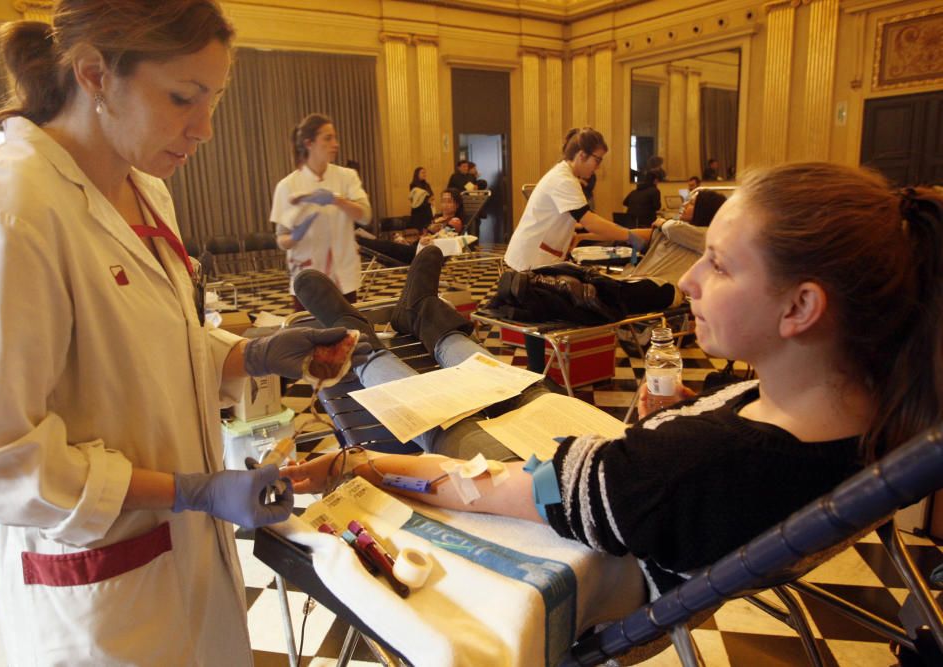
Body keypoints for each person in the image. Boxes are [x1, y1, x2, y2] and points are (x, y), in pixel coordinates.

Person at [286, 163, 943, 602]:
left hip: (511, 465)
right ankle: (420, 309)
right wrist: (677, 415)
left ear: (799, 308)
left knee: (390, 373)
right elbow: (699, 470)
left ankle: (361, 318)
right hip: (573, 446)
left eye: (716, 263)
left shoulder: (677, 468)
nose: (688, 282)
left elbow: (470, 484)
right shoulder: (878, 415)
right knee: (484, 365)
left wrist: (353, 458)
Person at [0, 2, 369, 663]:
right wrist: (188, 489)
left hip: (187, 560)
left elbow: (136, 349)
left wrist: (250, 354)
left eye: (213, 100)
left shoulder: (144, 189)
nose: (203, 129)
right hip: (104, 592)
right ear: (94, 75)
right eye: (182, 98)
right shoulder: (7, 211)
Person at [271, 113, 372, 311]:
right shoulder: (288, 185)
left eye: (335, 137)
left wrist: (337, 200)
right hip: (306, 277)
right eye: (328, 138)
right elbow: (281, 240)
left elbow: (365, 215)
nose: (335, 144)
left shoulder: (347, 177)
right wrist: (296, 236)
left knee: (347, 334)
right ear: (309, 143)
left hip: (343, 275)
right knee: (310, 337)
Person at [505, 127, 633, 272]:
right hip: (530, 260)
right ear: (582, 155)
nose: (598, 167)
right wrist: (631, 236)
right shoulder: (563, 180)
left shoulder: (566, 175)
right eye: (597, 160)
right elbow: (591, 222)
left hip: (533, 256)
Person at [619, 189, 727, 288]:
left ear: (704, 210)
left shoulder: (705, 235)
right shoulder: (681, 233)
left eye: (692, 203)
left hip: (660, 287)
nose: (684, 205)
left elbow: (672, 227)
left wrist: (663, 222)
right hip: (642, 280)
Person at [409, 166, 434, 231]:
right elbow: (416, 198)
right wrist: (426, 198)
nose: (424, 174)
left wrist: (431, 199)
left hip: (427, 210)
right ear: (417, 174)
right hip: (418, 211)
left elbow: (431, 194)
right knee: (419, 230)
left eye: (425, 173)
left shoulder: (427, 184)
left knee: (429, 229)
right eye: (422, 173)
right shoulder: (413, 185)